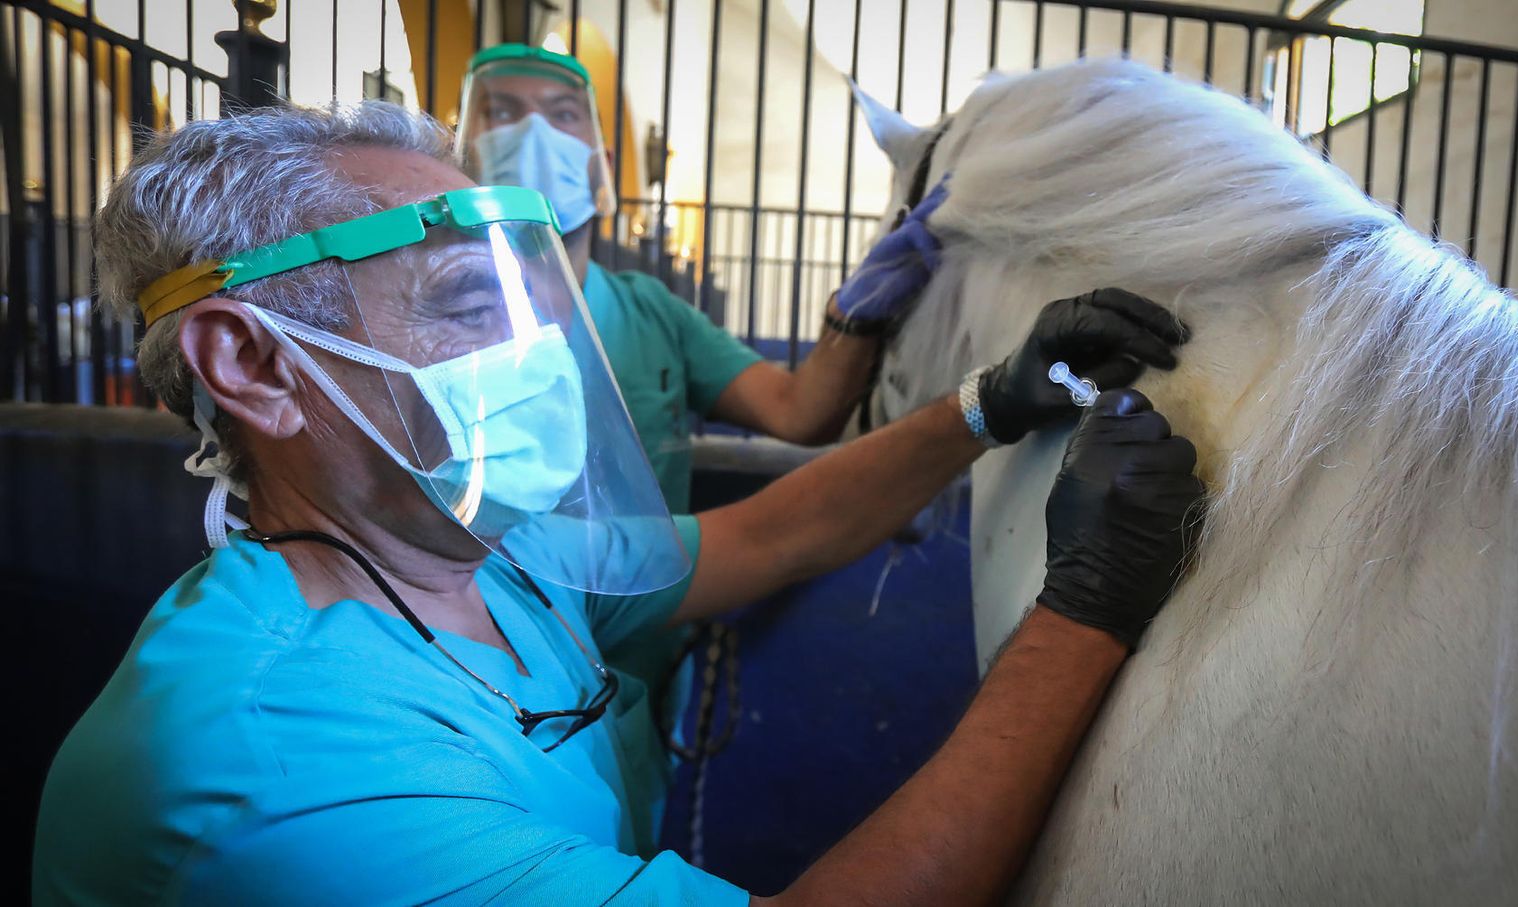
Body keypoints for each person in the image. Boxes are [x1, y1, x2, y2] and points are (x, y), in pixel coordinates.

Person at [33, 102, 1202, 905]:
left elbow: (779, 528)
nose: (538, 345)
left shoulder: (485, 556)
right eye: (461, 300)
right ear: (256, 366)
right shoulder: (273, 761)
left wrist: (989, 401)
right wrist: (1085, 613)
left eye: (527, 299)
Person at [455, 44, 947, 514]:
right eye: (502, 113)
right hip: (491, 597)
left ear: (601, 167)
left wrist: (852, 317)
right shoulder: (423, 314)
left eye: (563, 114)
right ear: (459, 158)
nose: (534, 133)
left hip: (653, 594)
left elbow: (798, 413)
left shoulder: (653, 316)